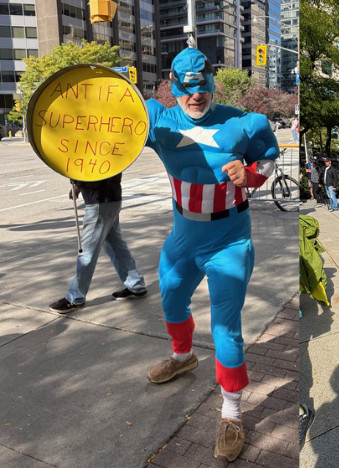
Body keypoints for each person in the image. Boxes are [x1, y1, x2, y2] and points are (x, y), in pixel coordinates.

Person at [144, 47, 280, 462]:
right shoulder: (158, 121)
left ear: (211, 83)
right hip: (183, 237)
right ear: (173, 88)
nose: (195, 97)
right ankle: (182, 357)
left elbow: (270, 158)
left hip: (229, 241)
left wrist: (252, 174)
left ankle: (232, 412)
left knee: (226, 327)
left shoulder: (245, 122)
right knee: (170, 297)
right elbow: (108, 127)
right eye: (186, 90)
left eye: (201, 87)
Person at [49, 174, 147, 313]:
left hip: (99, 200)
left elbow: (90, 167)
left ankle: (74, 297)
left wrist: (78, 183)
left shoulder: (95, 152)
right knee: (116, 245)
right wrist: (78, 184)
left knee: (87, 251)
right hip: (112, 197)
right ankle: (136, 284)